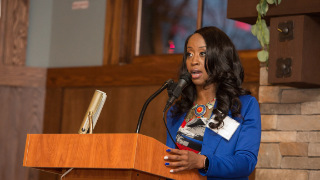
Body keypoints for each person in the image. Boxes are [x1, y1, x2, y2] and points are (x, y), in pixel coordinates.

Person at [164, 26, 261, 180]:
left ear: (219, 57)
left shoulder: (243, 106)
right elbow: (170, 162)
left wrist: (203, 162)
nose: (194, 61)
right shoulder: (177, 111)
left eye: (202, 54)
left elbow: (246, 162)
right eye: (189, 54)